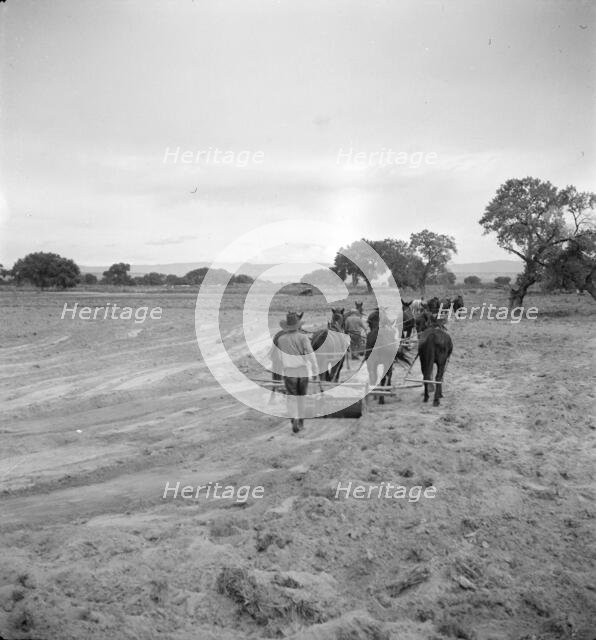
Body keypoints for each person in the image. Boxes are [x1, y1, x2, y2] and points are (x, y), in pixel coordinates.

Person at [271, 311, 318, 433]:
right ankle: (301, 422)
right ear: (298, 325)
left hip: (289, 372)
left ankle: (294, 419)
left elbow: (279, 358)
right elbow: (310, 354)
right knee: (301, 397)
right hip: (302, 371)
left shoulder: (281, 339)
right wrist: (315, 369)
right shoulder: (303, 337)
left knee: (291, 397)